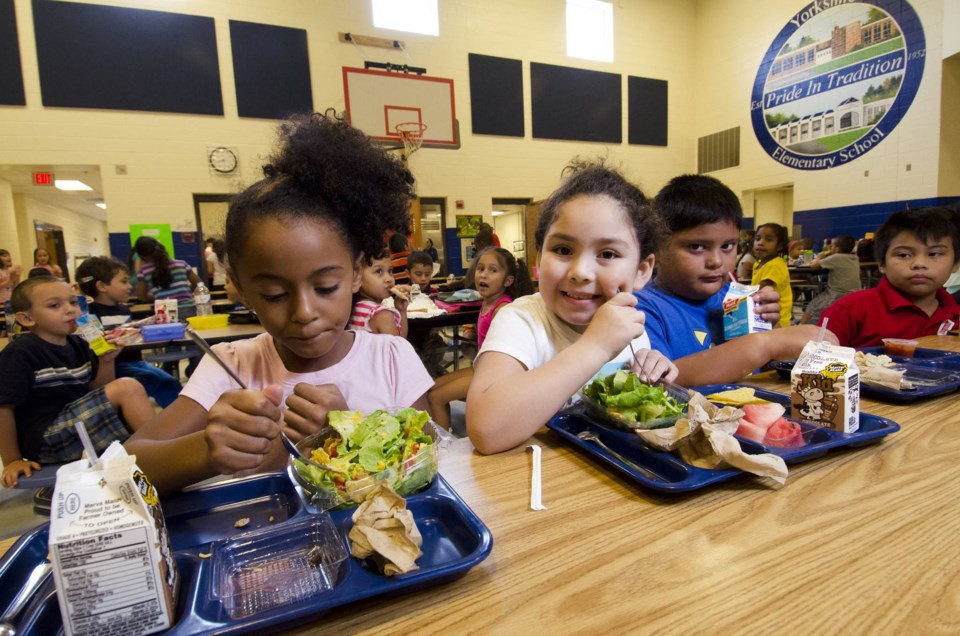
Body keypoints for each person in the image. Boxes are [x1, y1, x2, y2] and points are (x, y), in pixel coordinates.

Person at [124, 112, 434, 495]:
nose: (303, 313)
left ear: (355, 273)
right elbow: (123, 469)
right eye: (274, 295)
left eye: (325, 287)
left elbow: (428, 461)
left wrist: (349, 432)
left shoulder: (391, 357)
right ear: (241, 290)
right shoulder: (231, 365)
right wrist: (206, 450)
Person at [466, 160, 677, 455]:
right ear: (539, 259)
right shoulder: (520, 319)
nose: (580, 272)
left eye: (607, 253)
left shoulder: (630, 327)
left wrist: (652, 370)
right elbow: (485, 431)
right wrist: (595, 346)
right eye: (563, 250)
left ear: (642, 270)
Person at [636, 174, 835, 386]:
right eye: (696, 247)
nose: (715, 261)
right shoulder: (641, 309)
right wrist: (767, 343)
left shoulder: (735, 297)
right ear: (657, 247)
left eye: (728, 246)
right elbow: (661, 383)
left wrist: (771, 328)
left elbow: (763, 374)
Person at [0, 276, 155, 487]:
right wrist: (12, 460)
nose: (70, 310)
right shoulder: (21, 351)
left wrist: (106, 362)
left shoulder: (78, 344)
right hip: (47, 440)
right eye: (55, 305)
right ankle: (158, 456)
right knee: (129, 387)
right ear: (27, 319)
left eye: (73, 302)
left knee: (131, 394)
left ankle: (153, 455)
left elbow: (95, 394)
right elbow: (3, 407)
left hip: (77, 427)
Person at [820, 207, 960, 347]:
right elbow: (813, 363)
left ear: (955, 264)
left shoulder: (955, 314)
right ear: (882, 264)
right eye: (904, 255)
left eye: (934, 254)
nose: (919, 264)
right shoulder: (849, 310)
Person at [428, 247, 533, 429]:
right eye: (480, 268)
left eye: (493, 270)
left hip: (493, 376)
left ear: (508, 280)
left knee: (436, 397)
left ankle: (443, 451)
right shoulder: (486, 302)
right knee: (432, 387)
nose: (483, 275)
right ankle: (443, 435)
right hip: (480, 368)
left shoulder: (502, 310)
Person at [76, 256, 182, 407]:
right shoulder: (89, 315)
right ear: (102, 286)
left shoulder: (123, 308)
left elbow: (127, 331)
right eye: (124, 281)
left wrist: (148, 323)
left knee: (171, 383)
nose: (129, 286)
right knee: (160, 383)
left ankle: (181, 422)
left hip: (136, 362)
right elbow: (105, 340)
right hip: (114, 366)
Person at [133, 236, 202, 319]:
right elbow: (199, 284)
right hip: (189, 308)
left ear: (142, 256)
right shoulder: (182, 264)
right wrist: (185, 291)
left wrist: (156, 296)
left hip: (164, 312)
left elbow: (141, 296)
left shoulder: (144, 270)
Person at [348, 249, 410, 338]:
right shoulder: (383, 315)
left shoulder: (351, 309)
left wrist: (401, 310)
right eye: (379, 271)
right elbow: (398, 348)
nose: (389, 279)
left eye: (390, 271)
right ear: (358, 277)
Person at [799, 235, 861, 325]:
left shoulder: (836, 257)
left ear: (837, 249)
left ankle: (802, 325)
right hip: (855, 294)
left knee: (813, 306)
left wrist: (819, 257)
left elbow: (814, 266)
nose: (830, 248)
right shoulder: (855, 258)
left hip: (837, 294)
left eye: (832, 246)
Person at [752, 223, 793, 327]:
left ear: (779, 246)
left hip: (777, 321)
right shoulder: (758, 263)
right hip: (765, 315)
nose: (760, 243)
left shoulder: (775, 265)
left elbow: (761, 292)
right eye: (757, 238)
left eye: (768, 240)